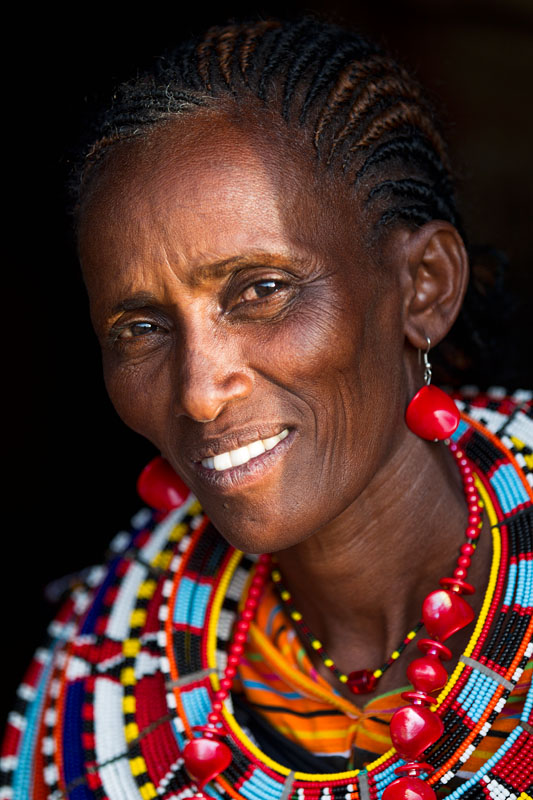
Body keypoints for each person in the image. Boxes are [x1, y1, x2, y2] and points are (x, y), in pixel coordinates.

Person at [2, 17, 532, 800]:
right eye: (142, 328)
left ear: (423, 286)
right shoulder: (93, 665)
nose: (197, 389)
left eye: (261, 290)